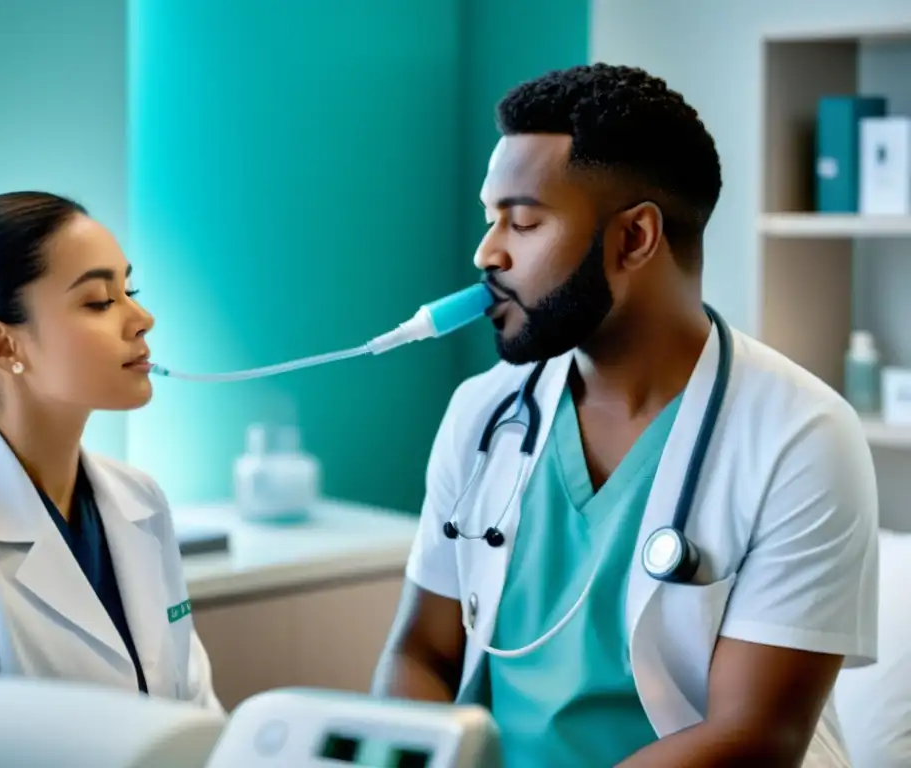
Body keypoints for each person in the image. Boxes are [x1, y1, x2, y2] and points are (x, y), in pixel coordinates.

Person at [372, 64, 878, 766]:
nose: (487, 252)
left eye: (521, 220)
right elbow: (421, 654)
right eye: (491, 219)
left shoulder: (802, 437)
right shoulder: (482, 414)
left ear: (635, 238)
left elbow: (757, 736)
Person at [0, 191, 220, 710]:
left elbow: (197, 715)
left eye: (129, 289)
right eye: (100, 301)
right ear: (2, 346)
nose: (142, 318)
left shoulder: (142, 499)